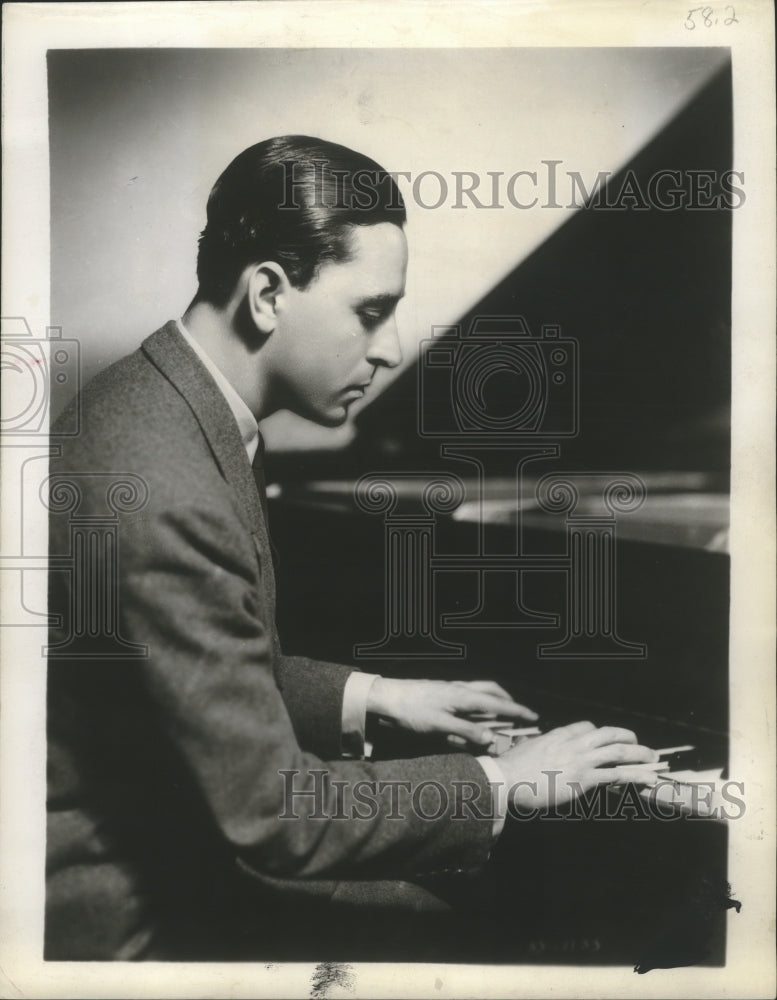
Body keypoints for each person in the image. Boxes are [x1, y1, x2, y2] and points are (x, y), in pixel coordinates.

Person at [45, 135, 659, 961]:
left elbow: (184, 673)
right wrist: (507, 782)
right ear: (267, 292)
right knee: (518, 943)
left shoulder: (152, 405)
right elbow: (275, 816)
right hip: (125, 918)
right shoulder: (167, 486)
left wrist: (373, 695)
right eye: (371, 311)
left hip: (165, 849)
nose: (390, 349)